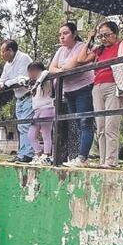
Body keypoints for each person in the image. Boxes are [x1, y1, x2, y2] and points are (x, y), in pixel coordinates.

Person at [76, 21, 123, 168]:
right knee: (101, 126)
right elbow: (81, 60)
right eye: (101, 36)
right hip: (97, 86)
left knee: (111, 124)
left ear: (115, 33)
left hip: (114, 85)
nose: (104, 38)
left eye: (107, 35)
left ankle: (111, 161)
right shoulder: (99, 50)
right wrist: (89, 39)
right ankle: (103, 160)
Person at [48, 22, 94, 167]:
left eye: (66, 33)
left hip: (83, 88)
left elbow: (70, 66)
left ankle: (82, 157)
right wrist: (61, 69)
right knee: (76, 123)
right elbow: (51, 68)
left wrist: (62, 68)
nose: (62, 37)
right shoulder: (60, 51)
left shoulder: (81, 47)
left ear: (74, 34)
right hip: (68, 91)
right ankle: (79, 157)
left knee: (85, 122)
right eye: (60, 34)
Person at [0, 40, 35, 163]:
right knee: (21, 126)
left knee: (26, 125)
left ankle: (28, 154)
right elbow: (3, 79)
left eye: (3, 51)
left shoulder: (23, 58)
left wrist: (5, 84)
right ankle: (22, 153)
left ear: (10, 51)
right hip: (19, 98)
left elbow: (21, 78)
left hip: (28, 95)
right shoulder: (7, 65)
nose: (1, 54)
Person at [25, 62, 54, 165]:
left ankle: (46, 155)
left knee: (46, 133)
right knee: (31, 135)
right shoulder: (32, 83)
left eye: (32, 71)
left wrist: (37, 83)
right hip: (37, 110)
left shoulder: (45, 78)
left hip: (47, 108)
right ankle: (38, 154)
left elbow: (45, 72)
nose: (30, 74)